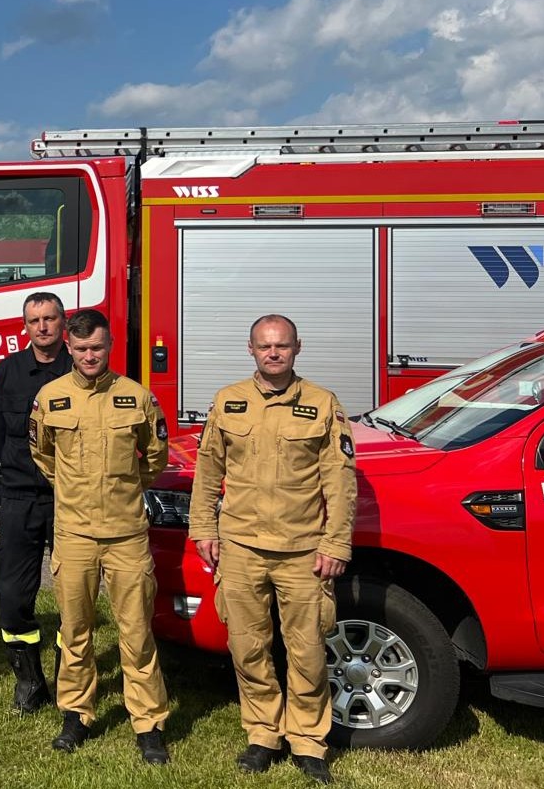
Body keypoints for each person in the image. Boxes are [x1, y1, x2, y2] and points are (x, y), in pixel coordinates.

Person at [190, 315, 356, 785]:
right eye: (265, 346)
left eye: (282, 345)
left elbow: (340, 481)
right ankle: (263, 733)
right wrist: (203, 528)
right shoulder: (229, 400)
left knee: (308, 651)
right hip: (241, 547)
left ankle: (307, 741)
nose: (274, 353)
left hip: (303, 550)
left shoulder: (323, 404)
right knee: (248, 647)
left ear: (297, 347)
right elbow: (208, 469)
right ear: (251, 349)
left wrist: (336, 542)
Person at [30, 309, 170, 763]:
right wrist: (76, 493)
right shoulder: (50, 398)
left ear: (110, 347)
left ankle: (148, 723)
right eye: (82, 348)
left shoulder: (137, 397)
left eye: (98, 348)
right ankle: (76, 713)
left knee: (137, 631)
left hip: (126, 534)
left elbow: (155, 456)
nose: (90, 356)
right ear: (68, 348)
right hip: (74, 534)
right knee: (75, 630)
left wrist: (124, 491)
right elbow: (43, 455)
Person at [0, 291, 70, 712]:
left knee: (74, 596)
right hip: (20, 496)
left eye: (50, 318)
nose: (42, 326)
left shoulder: (79, 370)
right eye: (34, 320)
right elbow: (1, 435)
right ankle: (30, 682)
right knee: (11, 593)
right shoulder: (8, 371)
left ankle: (69, 682)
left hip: (69, 499)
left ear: (63, 323)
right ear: (25, 326)